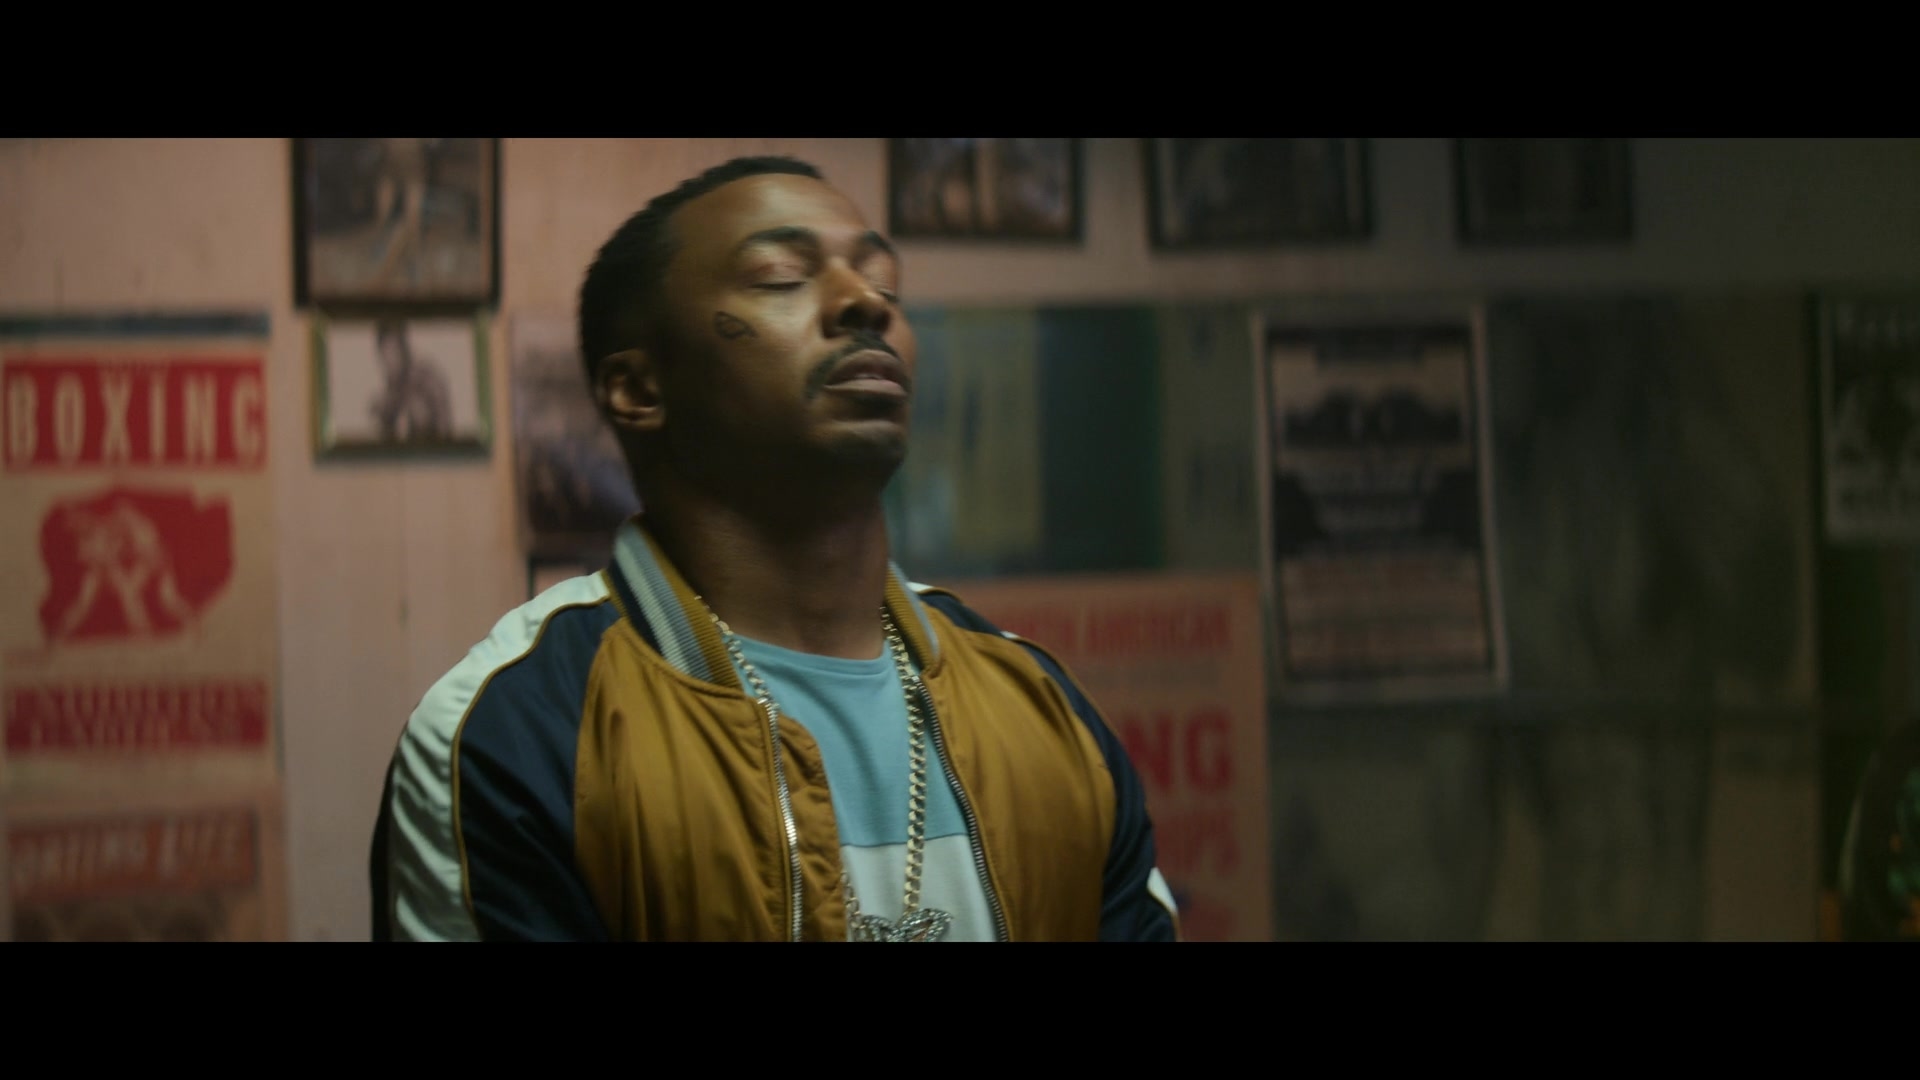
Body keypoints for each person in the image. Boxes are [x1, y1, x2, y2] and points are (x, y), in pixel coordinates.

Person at [369, 155, 1179, 941]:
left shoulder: (1041, 710)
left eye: (883, 282)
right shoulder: (518, 732)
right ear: (639, 389)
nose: (863, 302)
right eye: (781, 276)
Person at [368, 319, 452, 442]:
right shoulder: (391, 389)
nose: (390, 359)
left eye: (394, 349)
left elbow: (442, 424)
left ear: (404, 348)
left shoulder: (426, 377)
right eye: (385, 352)